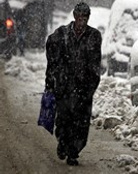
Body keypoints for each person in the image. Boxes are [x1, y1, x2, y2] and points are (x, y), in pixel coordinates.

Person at [45, 2, 102, 166]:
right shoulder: (62, 34)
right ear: (74, 17)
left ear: (88, 19)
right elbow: (50, 46)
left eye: (85, 18)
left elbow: (95, 63)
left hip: (84, 86)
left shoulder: (94, 36)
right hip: (64, 85)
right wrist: (52, 77)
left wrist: (90, 87)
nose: (81, 22)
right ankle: (62, 143)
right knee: (64, 119)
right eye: (79, 18)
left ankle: (73, 152)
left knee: (81, 122)